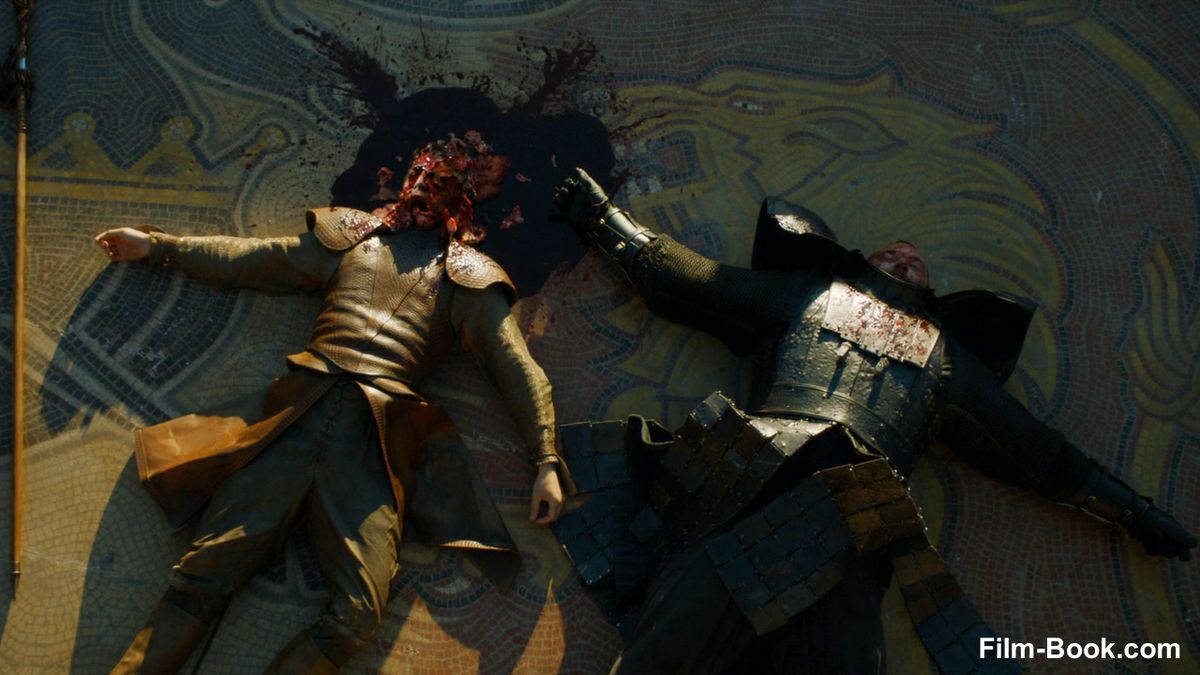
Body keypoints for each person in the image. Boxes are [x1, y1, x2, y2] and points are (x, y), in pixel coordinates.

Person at [548, 168, 1195, 674]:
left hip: (854, 528)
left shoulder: (946, 360)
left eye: (915, 262)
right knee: (667, 649)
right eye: (891, 255)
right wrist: (602, 218)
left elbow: (1036, 453)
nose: (904, 258)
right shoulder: (805, 295)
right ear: (859, 262)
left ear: (932, 294)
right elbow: (690, 281)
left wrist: (1134, 513)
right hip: (749, 485)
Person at [94, 137, 569, 674]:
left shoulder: (469, 279)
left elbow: (520, 373)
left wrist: (546, 461)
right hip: (297, 415)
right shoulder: (350, 236)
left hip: (371, 446)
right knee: (205, 571)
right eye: (418, 178)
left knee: (357, 616)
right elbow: (253, 260)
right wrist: (159, 247)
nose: (423, 192)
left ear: (461, 201)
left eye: (439, 185)